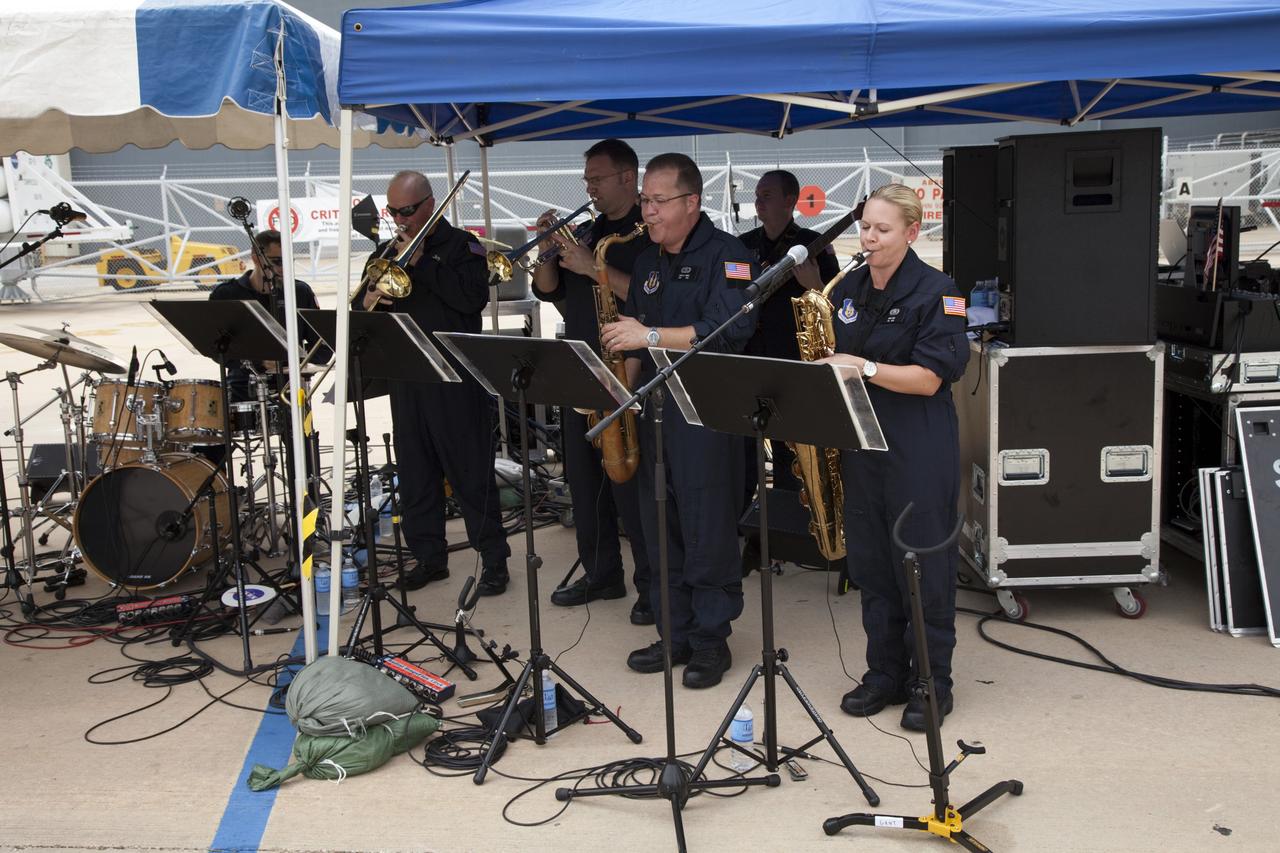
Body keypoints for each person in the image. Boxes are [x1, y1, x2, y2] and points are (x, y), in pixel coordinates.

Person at [601, 153, 758, 689]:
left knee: (706, 526)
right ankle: (676, 633)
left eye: (657, 200)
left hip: (706, 415)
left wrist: (645, 337)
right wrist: (623, 391)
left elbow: (728, 329)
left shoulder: (730, 256)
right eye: (644, 200)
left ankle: (712, 641)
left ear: (692, 202)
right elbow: (638, 336)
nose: (647, 210)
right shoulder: (645, 261)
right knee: (658, 525)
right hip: (655, 413)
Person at [818, 183, 969, 730]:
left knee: (923, 568)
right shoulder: (849, 287)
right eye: (864, 227)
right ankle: (883, 672)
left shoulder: (940, 291)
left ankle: (933, 682)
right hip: (863, 446)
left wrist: (865, 368)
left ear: (912, 231)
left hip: (917, 447)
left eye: (882, 229)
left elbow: (931, 378)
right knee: (874, 568)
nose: (869, 238)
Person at [359, 170, 510, 595]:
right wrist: (370, 299)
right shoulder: (386, 251)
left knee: (469, 469)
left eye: (406, 210)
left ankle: (494, 559)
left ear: (429, 203)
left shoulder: (463, 246)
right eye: (393, 211)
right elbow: (360, 309)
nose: (399, 219)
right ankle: (428, 556)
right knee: (415, 471)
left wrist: (424, 262)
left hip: (455, 377)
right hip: (408, 374)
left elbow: (471, 299)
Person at [531, 139, 654, 625]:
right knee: (584, 484)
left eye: (597, 180)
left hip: (629, 373)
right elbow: (547, 290)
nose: (590, 189)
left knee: (633, 489)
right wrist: (548, 251)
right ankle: (602, 573)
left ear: (628, 177)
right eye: (587, 181)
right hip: (582, 367)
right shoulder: (592, 230)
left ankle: (651, 585)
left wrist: (595, 268)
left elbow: (653, 299)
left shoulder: (646, 234)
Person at [737, 170, 842, 569]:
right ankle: (747, 533)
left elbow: (834, 307)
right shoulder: (743, 245)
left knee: (786, 455)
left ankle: (782, 536)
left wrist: (815, 283)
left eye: (767, 195)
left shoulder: (812, 247)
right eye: (757, 195)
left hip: (789, 362)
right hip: (749, 357)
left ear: (790, 201)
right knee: (743, 450)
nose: (759, 201)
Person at [208, 229, 324, 405]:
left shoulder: (300, 292)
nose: (283, 269)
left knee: (299, 431)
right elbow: (215, 348)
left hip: (290, 385)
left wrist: (297, 364)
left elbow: (323, 345)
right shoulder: (227, 293)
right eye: (277, 262)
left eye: (287, 261)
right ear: (256, 258)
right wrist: (258, 363)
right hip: (243, 385)